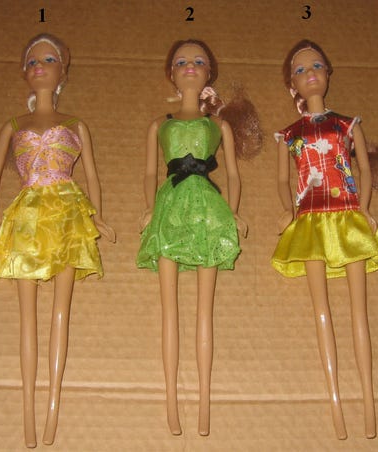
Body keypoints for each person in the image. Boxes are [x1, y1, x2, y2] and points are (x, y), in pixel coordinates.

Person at [0, 33, 115, 448]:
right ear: (24, 72)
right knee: (27, 318)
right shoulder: (13, 125)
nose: (40, 66)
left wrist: (98, 216)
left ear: (63, 70)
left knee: (60, 314)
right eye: (33, 61)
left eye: (49, 59)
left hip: (68, 212)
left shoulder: (76, 124)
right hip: (28, 213)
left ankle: (52, 406)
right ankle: (28, 413)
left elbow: (91, 175)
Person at [271, 39, 378, 439]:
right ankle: (336, 402)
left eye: (317, 66)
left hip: (346, 213)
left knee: (359, 311)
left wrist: (364, 206)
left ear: (327, 73)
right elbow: (282, 180)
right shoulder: (289, 134)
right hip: (309, 217)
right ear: (292, 84)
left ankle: (369, 401)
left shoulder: (347, 124)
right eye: (301, 70)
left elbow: (364, 169)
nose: (310, 74)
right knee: (321, 311)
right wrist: (288, 209)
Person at [137, 38, 261, 436]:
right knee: (169, 310)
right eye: (181, 62)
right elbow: (149, 173)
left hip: (208, 208)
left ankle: (205, 401)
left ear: (209, 73)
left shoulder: (218, 125)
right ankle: (172, 402)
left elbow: (234, 175)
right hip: (170, 206)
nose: (189, 66)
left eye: (198, 61)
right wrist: (149, 208)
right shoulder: (160, 125)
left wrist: (233, 212)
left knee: (204, 310)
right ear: (171, 74)